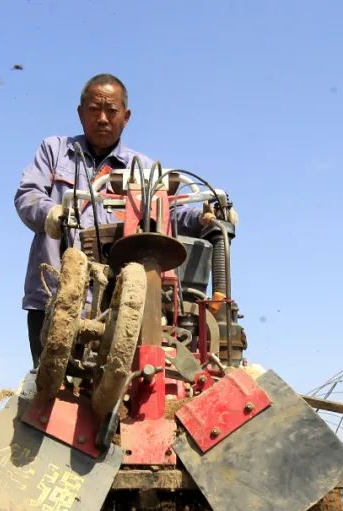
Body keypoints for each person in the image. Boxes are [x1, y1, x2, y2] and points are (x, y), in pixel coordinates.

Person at [14, 73, 203, 367]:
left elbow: (171, 212)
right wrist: (50, 214)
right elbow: (28, 194)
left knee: (114, 393)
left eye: (111, 111)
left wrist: (205, 216)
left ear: (125, 117)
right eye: (94, 109)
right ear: (80, 113)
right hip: (53, 299)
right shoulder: (55, 150)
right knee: (48, 393)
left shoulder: (143, 169)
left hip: (118, 305)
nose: (102, 118)